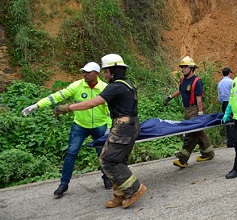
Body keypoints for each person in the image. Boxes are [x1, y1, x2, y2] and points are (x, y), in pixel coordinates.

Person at [52, 54, 147, 209]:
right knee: (118, 160)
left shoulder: (115, 86)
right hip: (129, 125)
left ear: (114, 71)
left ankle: (134, 188)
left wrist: (67, 107)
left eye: (107, 71)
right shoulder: (127, 83)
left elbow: (92, 103)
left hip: (124, 127)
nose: (105, 74)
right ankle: (119, 195)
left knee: (107, 160)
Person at [21, 62, 112, 198]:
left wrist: (109, 127)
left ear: (97, 73)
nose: (85, 74)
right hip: (80, 125)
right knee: (71, 153)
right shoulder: (77, 85)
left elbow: (110, 109)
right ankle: (64, 184)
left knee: (103, 154)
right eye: (84, 72)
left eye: (88, 72)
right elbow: (57, 96)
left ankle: (107, 178)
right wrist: (37, 105)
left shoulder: (105, 88)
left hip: (100, 126)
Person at [164, 56, 215, 167]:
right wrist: (170, 97)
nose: (182, 69)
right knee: (199, 132)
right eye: (182, 67)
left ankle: (183, 158)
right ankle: (208, 153)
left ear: (191, 68)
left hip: (195, 109)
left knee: (191, 132)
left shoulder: (197, 81)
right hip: (187, 110)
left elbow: (199, 99)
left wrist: (200, 114)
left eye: (185, 67)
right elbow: (180, 90)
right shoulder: (183, 80)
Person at [218, 67, 234, 147]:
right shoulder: (232, 82)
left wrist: (223, 102)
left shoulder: (220, 83)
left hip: (224, 103)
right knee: (234, 121)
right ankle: (233, 141)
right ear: (229, 73)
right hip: (231, 103)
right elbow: (235, 93)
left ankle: (229, 141)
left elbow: (219, 96)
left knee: (227, 122)